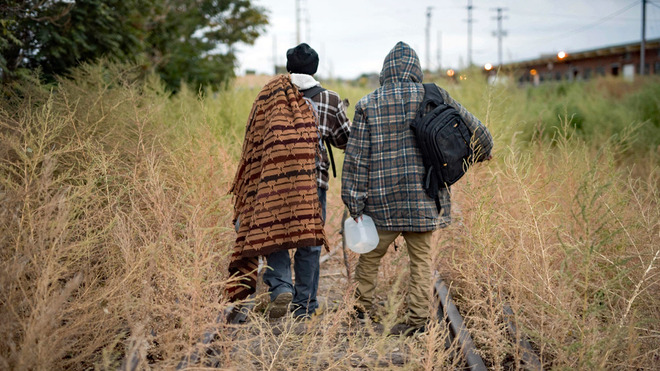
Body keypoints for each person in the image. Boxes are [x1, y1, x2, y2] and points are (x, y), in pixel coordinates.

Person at [341, 41, 493, 335]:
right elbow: (480, 133)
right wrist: (481, 153)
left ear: (386, 70)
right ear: (416, 69)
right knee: (422, 262)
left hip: (381, 203)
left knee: (370, 258)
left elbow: (356, 159)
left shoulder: (367, 104)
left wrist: (354, 204)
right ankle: (417, 322)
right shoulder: (433, 94)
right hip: (425, 198)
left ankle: (361, 314)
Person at [262, 43, 352, 319]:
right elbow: (345, 140)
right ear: (315, 68)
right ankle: (305, 306)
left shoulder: (268, 96)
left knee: (273, 236)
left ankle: (280, 287)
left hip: (273, 181)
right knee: (309, 241)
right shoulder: (330, 99)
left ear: (288, 67)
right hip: (312, 183)